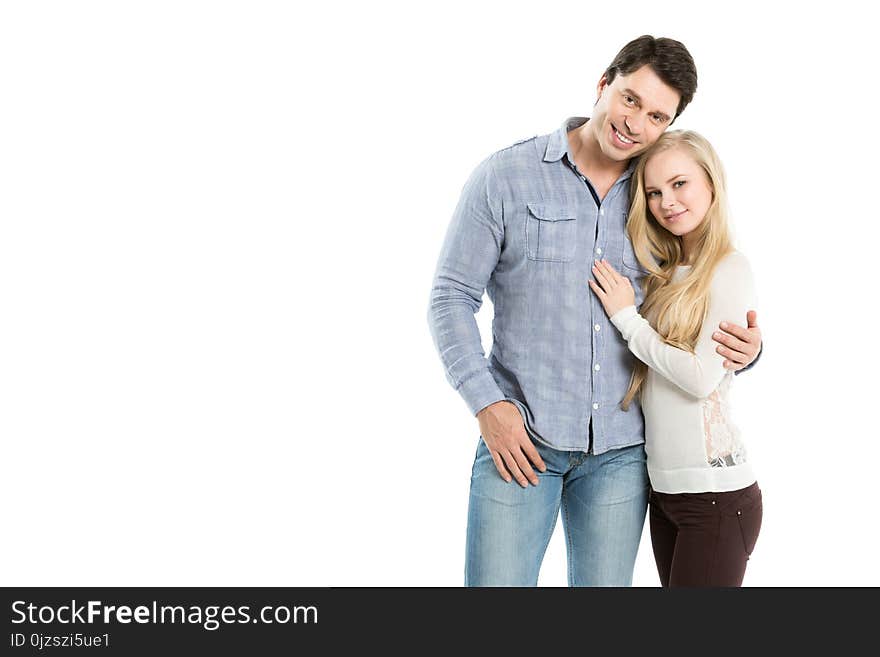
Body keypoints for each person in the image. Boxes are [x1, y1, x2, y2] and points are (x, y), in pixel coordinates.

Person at [427, 35, 762, 587]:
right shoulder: (506, 177)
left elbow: (700, 288)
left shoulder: (659, 195)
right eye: (631, 99)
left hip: (623, 456)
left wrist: (745, 349)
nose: (635, 123)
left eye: (657, 115)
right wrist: (487, 404)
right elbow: (451, 296)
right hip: (521, 440)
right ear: (604, 84)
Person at [588, 130, 762, 587]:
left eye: (680, 184)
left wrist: (628, 318)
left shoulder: (729, 267)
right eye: (654, 192)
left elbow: (701, 377)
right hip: (666, 494)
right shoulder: (665, 273)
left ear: (710, 182)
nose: (667, 202)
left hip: (715, 497)